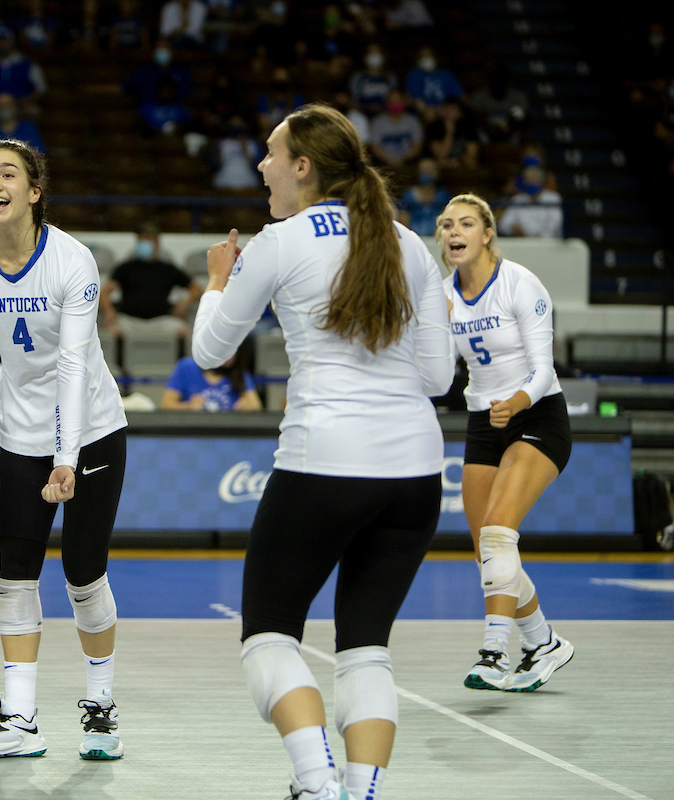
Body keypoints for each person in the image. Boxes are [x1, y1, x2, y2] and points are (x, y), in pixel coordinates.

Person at [193, 104, 453, 800]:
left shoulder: (280, 242)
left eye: (270, 153)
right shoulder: (409, 243)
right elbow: (438, 378)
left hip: (325, 463)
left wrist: (218, 281)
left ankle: (317, 783)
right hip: (415, 474)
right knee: (365, 647)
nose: (260, 165)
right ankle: (362, 791)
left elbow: (210, 352)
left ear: (303, 167)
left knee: (270, 639)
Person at [0, 139, 128, 762]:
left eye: (7, 173)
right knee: (14, 574)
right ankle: (21, 721)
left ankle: (101, 711)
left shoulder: (73, 260)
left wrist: (67, 458)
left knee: (83, 573)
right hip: (18, 438)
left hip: (93, 431)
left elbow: (73, 364)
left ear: (34, 190)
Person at [437, 193, 574, 693]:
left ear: (486, 233)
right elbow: (431, 366)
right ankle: (543, 642)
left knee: (497, 533)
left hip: (536, 414)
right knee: (488, 551)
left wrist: (516, 401)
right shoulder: (443, 295)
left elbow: (544, 367)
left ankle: (495, 653)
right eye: (448, 224)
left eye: (466, 223)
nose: (455, 231)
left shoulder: (520, 283)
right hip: (483, 421)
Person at [100, 222, 202, 340]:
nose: (144, 242)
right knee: (109, 333)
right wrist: (108, 312)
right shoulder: (125, 268)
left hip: (161, 321)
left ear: (156, 241)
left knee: (186, 332)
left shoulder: (168, 269)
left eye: (148, 238)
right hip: (129, 321)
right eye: (141, 239)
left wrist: (185, 303)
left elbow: (197, 289)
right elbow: (105, 291)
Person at [161, 346, 261, 411]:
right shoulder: (186, 367)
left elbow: (256, 406)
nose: (230, 355)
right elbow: (166, 405)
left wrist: (246, 407)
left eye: (234, 350)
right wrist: (188, 406)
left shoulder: (238, 372)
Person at [498, 166, 563, 238]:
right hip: (523, 243)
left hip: (548, 243)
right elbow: (503, 225)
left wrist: (538, 239)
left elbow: (555, 224)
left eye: (534, 181)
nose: (531, 183)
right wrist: (513, 228)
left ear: (541, 182)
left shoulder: (553, 199)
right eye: (528, 181)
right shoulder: (517, 199)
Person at [369, 91, 423, 168]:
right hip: (383, 163)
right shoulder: (378, 122)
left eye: (398, 102)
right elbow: (375, 147)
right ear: (387, 103)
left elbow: (417, 146)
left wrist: (402, 159)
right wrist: (390, 160)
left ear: (404, 103)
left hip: (408, 161)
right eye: (392, 102)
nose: (395, 104)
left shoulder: (413, 121)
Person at [397, 157, 449, 236]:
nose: (426, 173)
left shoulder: (443, 195)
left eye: (429, 170)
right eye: (423, 170)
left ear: (436, 172)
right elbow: (403, 219)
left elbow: (447, 219)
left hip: (436, 239)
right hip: (414, 238)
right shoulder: (409, 195)